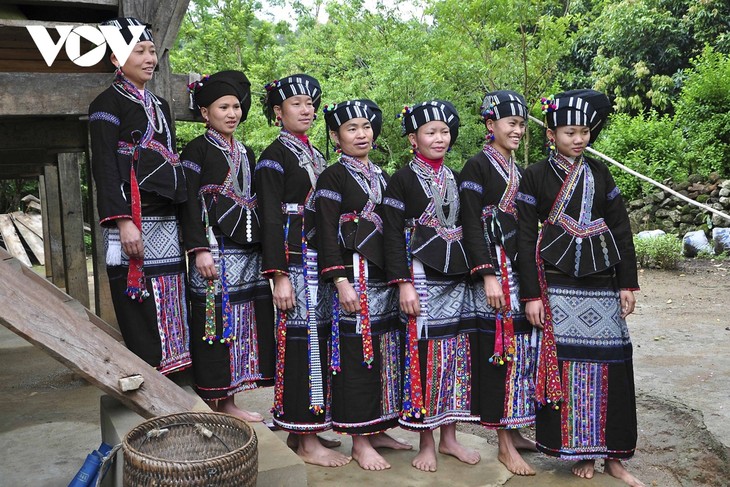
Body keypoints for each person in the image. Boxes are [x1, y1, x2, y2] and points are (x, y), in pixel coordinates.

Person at [517, 89, 644, 487]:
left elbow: (620, 228)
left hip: (601, 283)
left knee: (613, 364)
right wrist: (531, 295)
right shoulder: (535, 175)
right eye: (570, 132)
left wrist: (627, 283)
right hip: (556, 283)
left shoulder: (600, 175)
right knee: (569, 368)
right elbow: (523, 237)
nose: (578, 140)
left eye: (584, 132)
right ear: (551, 134)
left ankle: (616, 456)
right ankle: (582, 450)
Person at [255, 74, 349, 467]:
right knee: (298, 343)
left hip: (317, 261)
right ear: (278, 112)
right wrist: (278, 274)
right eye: (296, 103)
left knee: (319, 341)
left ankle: (309, 424)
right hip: (293, 262)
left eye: (311, 103)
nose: (307, 109)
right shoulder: (272, 157)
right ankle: (303, 436)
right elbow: (270, 221)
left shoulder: (315, 155)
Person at [382, 100, 481, 472]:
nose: (439, 138)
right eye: (430, 132)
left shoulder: (456, 177)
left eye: (444, 132)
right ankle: (426, 440)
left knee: (454, 355)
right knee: (424, 356)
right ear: (413, 138)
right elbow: (392, 233)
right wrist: (404, 283)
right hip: (421, 278)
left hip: (456, 279)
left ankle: (450, 437)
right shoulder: (402, 179)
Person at [88, 17, 190, 374]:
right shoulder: (106, 104)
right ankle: (154, 381)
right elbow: (104, 165)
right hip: (131, 218)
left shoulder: (160, 105)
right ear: (116, 59)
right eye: (140, 51)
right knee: (141, 301)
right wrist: (124, 222)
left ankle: (180, 381)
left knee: (172, 297)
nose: (150, 58)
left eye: (151, 51)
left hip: (165, 220)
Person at [316, 99, 412, 470]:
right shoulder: (332, 177)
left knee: (385, 354)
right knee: (357, 356)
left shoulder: (383, 175)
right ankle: (358, 439)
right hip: (353, 277)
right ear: (335, 136)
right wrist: (340, 281)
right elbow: (325, 233)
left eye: (367, 127)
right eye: (352, 128)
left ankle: (380, 428)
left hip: (382, 280)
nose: (362, 134)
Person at [180, 71, 274, 422]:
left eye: (236, 106)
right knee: (213, 324)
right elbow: (189, 202)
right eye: (224, 107)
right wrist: (198, 248)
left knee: (241, 322)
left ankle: (230, 401)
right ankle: (212, 398)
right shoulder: (196, 149)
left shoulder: (246, 151)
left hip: (246, 252)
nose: (232, 113)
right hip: (214, 250)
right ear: (206, 113)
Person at [460, 90, 538, 476]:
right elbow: (470, 223)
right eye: (512, 123)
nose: (518, 130)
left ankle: (517, 427)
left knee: (523, 351)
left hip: (519, 268)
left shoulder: (518, 170)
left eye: (522, 124)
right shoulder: (476, 167)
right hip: (494, 273)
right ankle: (504, 444)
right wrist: (487, 273)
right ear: (491, 126)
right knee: (501, 353)